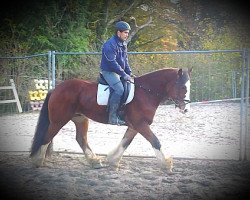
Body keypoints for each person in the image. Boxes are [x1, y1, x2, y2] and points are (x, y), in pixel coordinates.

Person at [100, 21, 134, 126]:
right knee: (119, 89)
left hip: (118, 71)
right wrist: (124, 75)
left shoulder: (123, 44)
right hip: (109, 71)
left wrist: (129, 73)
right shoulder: (110, 45)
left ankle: (122, 112)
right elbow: (112, 63)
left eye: (128, 33)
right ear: (118, 32)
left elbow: (125, 61)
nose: (127, 35)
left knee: (129, 86)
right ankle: (112, 117)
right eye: (125, 33)